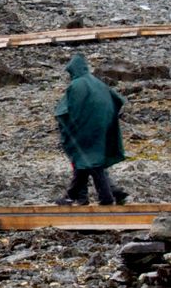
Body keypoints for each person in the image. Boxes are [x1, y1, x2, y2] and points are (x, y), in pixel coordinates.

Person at [54, 52, 127, 206]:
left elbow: (67, 110)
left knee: (88, 162)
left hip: (84, 131)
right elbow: (117, 100)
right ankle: (98, 195)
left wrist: (69, 126)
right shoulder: (98, 83)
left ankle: (86, 197)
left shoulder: (76, 85)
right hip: (101, 129)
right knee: (90, 163)